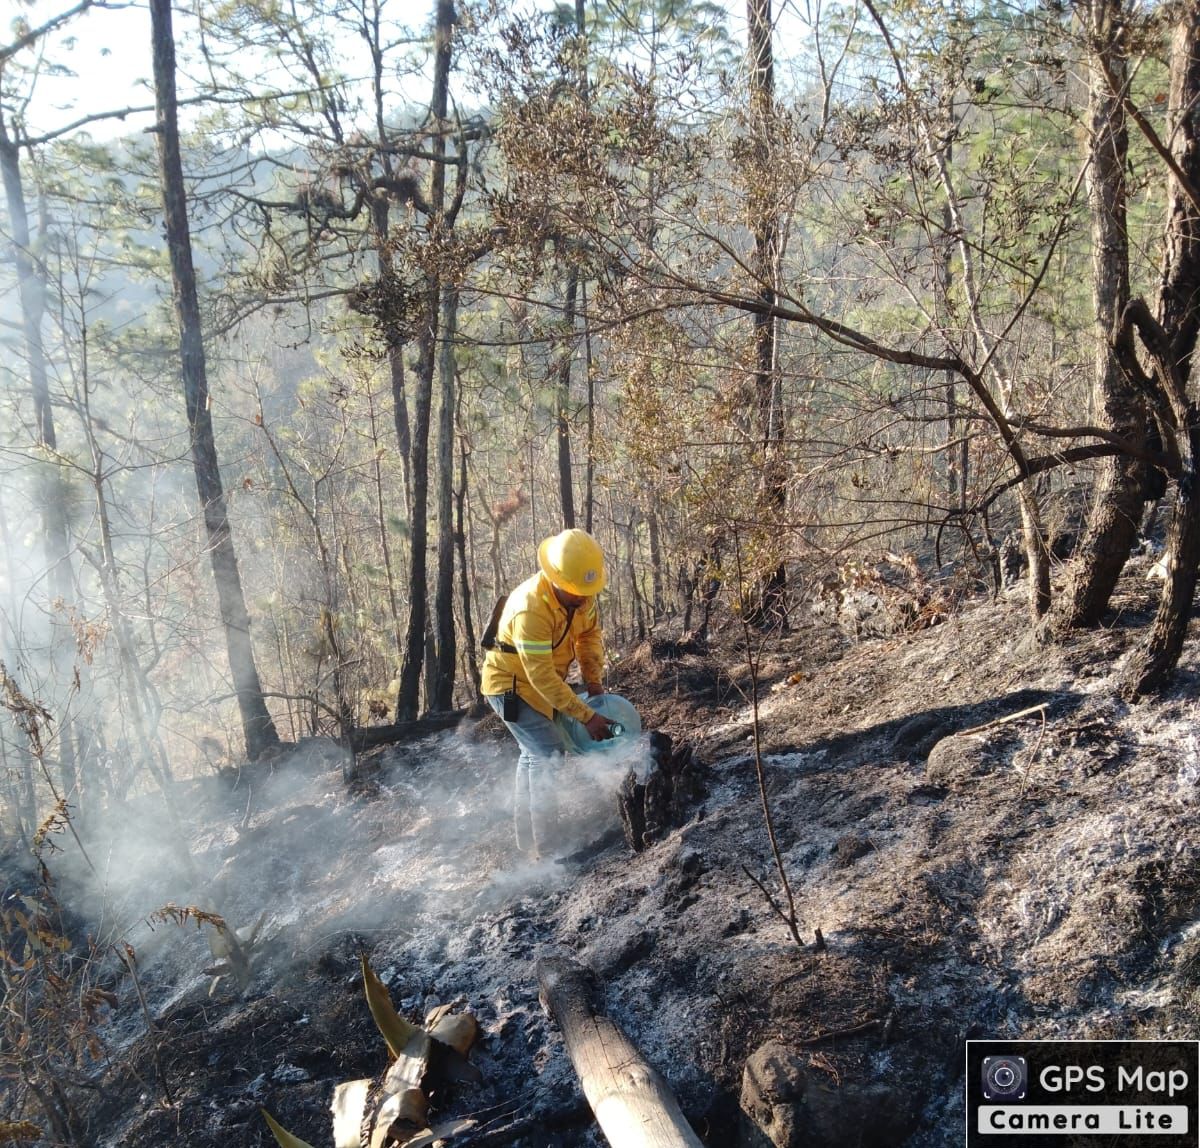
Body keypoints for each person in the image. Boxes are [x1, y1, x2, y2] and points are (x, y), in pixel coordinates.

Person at [482, 528, 617, 857]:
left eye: (588, 590)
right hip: (510, 686)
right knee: (548, 752)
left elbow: (588, 637)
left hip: (540, 683)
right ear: (556, 578)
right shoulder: (531, 609)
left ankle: (528, 842)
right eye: (577, 592)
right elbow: (539, 675)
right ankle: (547, 848)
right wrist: (586, 716)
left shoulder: (582, 596)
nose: (585, 598)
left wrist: (594, 683)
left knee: (534, 754)